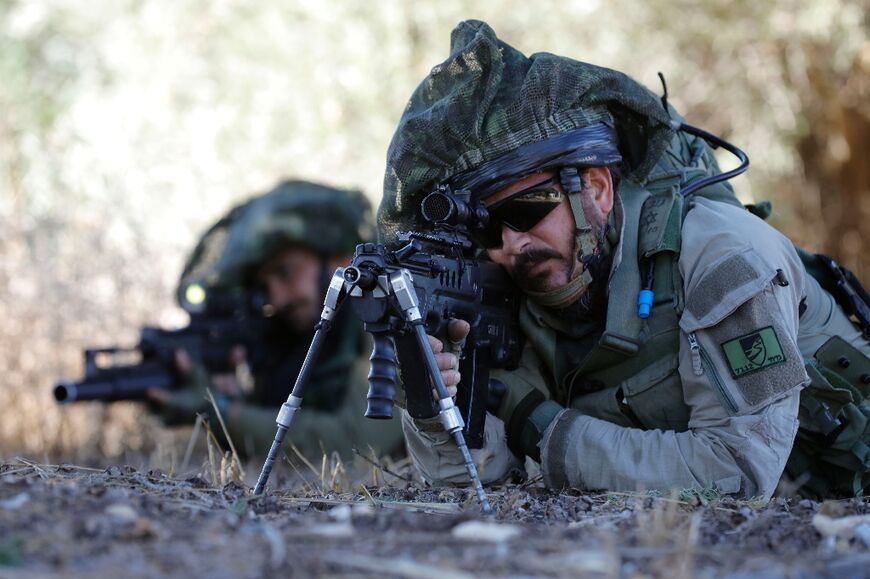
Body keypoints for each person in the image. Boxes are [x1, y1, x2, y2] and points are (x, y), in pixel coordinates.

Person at [379, 20, 870, 499]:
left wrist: (539, 426)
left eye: (524, 211)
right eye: (484, 227)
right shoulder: (514, 288)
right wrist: (431, 400)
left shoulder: (722, 258)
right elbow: (476, 478)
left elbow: (738, 470)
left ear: (597, 188)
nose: (509, 244)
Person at [148, 180, 405, 460]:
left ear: (342, 259)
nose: (277, 299)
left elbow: (357, 445)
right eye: (265, 286)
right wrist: (230, 399)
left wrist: (224, 413)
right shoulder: (296, 336)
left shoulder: (392, 316)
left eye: (286, 272)